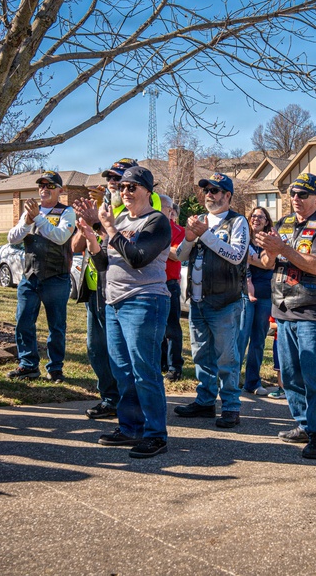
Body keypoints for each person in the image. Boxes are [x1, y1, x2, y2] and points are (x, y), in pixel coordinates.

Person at [255, 172, 316, 459]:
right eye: (292, 194)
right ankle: (303, 424)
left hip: (311, 311)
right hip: (283, 310)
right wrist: (266, 248)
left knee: (313, 376)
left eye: (303, 194)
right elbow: (268, 263)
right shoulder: (284, 223)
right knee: (289, 375)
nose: (296, 199)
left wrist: (282, 248)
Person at [98, 165, 172, 458]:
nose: (125, 192)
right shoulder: (118, 219)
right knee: (122, 371)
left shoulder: (157, 221)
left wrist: (110, 230)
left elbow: (138, 258)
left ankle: (156, 434)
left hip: (144, 300)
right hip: (114, 302)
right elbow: (105, 263)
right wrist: (93, 239)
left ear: (147, 192)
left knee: (145, 370)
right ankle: (131, 428)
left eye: (132, 187)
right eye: (122, 187)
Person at [174, 173, 250, 429]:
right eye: (206, 190)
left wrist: (205, 235)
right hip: (197, 302)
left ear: (227, 196)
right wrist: (190, 237)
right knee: (201, 355)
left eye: (215, 190)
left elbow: (237, 255)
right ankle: (205, 401)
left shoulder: (237, 222)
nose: (209, 194)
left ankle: (230, 406)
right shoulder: (200, 222)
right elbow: (180, 256)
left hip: (225, 302)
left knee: (227, 358)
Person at [6, 171, 77, 382]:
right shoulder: (29, 212)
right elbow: (13, 238)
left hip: (56, 276)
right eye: (41, 185)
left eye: (50, 186)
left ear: (60, 190)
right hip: (30, 276)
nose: (44, 189)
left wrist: (37, 217)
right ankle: (28, 365)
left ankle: (55, 368)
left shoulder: (67, 212)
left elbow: (60, 237)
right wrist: (28, 221)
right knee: (23, 321)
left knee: (56, 325)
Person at [70, 182, 120, 420]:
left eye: (116, 182)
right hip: (92, 291)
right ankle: (109, 398)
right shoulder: (96, 212)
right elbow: (75, 247)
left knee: (116, 351)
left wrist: (98, 222)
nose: (111, 185)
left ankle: (123, 400)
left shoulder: (124, 213)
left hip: (113, 291)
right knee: (96, 349)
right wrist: (85, 225)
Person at [238, 206, 275, 395]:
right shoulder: (243, 238)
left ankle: (252, 382)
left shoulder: (270, 242)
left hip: (265, 295)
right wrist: (258, 261)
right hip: (245, 294)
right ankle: (232, 380)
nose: (256, 219)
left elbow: (271, 264)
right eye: (253, 216)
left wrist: (255, 259)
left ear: (267, 221)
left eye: (261, 217)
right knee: (241, 337)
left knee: (258, 341)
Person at [160, 194, 186, 381]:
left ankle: (174, 367)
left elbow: (177, 255)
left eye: (163, 207)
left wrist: (157, 244)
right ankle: (160, 362)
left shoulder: (178, 230)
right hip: (150, 283)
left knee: (171, 328)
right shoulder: (146, 226)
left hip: (169, 283)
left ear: (171, 210)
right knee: (155, 327)